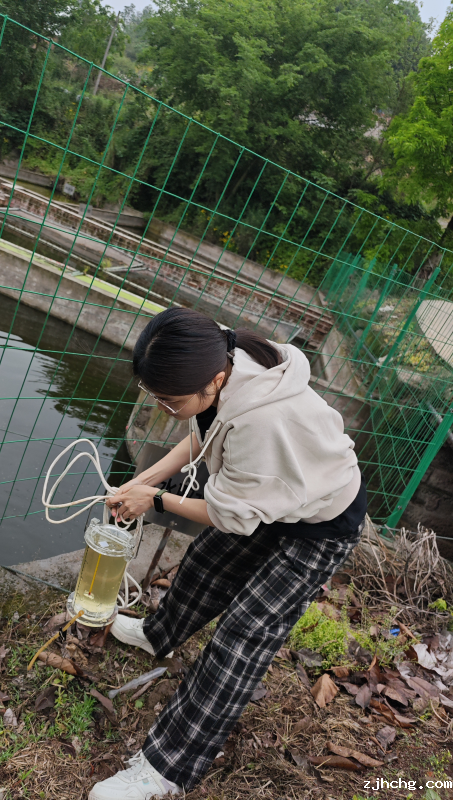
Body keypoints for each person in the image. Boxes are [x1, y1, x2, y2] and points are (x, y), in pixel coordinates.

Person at [89, 308, 366, 800]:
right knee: (204, 567)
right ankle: (158, 635)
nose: (162, 406)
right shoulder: (224, 364)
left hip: (320, 522)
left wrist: (153, 501)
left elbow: (233, 516)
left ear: (214, 380)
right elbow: (200, 434)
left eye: (168, 400)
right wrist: (143, 479)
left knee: (242, 637)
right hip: (273, 496)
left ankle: (165, 770)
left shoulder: (263, 421)